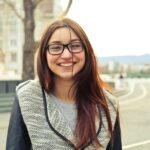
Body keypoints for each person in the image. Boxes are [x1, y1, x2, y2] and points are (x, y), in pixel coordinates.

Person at [6, 18, 122, 150]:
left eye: (75, 46)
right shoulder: (27, 97)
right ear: (44, 55)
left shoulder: (108, 104)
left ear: (87, 52)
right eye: (56, 47)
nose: (66, 54)